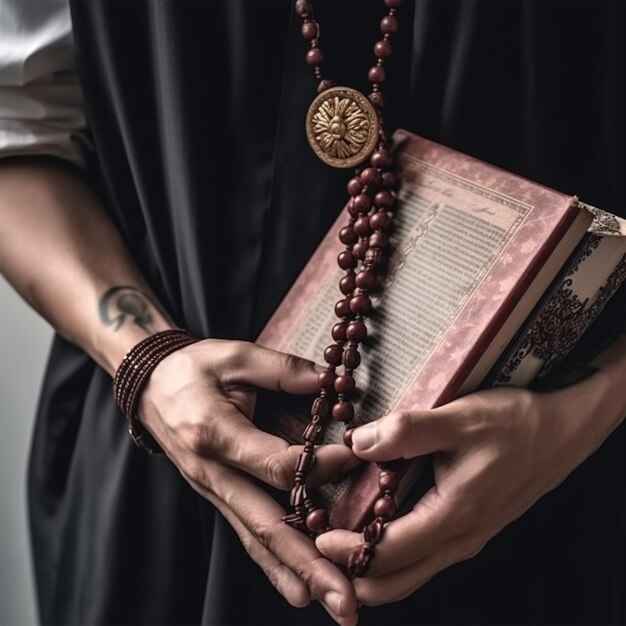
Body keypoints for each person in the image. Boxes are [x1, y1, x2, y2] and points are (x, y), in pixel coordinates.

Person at [0, 1, 623, 625]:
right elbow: (19, 132)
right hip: (154, 479)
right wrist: (148, 359)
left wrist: (587, 409)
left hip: (534, 493)